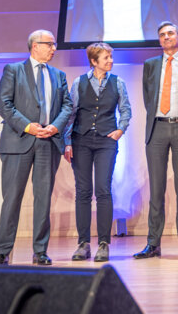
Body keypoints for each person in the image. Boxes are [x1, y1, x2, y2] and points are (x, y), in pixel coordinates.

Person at [0, 30, 73, 265]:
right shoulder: (13, 70)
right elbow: (3, 104)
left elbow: (67, 105)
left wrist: (55, 127)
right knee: (12, 198)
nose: (54, 48)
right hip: (18, 142)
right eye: (50, 44)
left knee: (43, 199)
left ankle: (40, 250)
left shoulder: (59, 74)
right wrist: (28, 127)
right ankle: (2, 251)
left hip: (48, 142)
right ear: (35, 46)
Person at [134, 22, 178, 260]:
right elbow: (147, 96)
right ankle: (153, 243)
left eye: (170, 33)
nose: (166, 37)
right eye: (161, 35)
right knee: (156, 189)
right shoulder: (150, 65)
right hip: (158, 128)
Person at [63, 42, 132, 263]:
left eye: (111, 57)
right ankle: (83, 244)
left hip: (105, 142)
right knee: (83, 191)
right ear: (94, 61)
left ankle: (104, 243)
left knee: (103, 189)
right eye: (106, 58)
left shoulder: (118, 82)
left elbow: (126, 109)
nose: (110, 61)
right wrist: (67, 142)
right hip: (81, 140)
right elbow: (71, 113)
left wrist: (120, 129)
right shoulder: (79, 83)